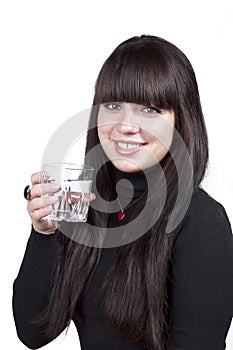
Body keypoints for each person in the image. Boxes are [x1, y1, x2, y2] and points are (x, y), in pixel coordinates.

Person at [13, 35, 233, 350]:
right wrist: (44, 233)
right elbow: (33, 333)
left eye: (150, 109)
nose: (126, 125)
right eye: (113, 105)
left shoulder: (200, 220)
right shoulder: (84, 203)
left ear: (180, 121)